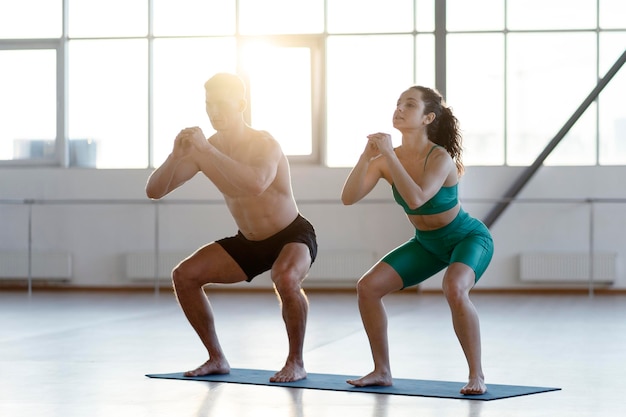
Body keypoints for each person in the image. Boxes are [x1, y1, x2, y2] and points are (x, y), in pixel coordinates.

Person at [145, 72, 317, 383]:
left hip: (291, 234)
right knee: (184, 276)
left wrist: (207, 152)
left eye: (222, 104)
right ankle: (216, 358)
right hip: (249, 242)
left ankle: (296, 361)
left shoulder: (264, 143)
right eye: (209, 105)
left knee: (286, 277)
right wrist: (176, 155)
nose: (214, 112)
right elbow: (154, 191)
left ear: (241, 104)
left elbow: (255, 184)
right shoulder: (203, 149)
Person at [340, 85, 493, 395]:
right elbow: (348, 197)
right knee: (367, 288)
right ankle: (381, 371)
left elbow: (418, 199)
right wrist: (365, 157)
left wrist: (386, 156)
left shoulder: (440, 158)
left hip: (467, 238)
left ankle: (477, 375)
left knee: (454, 287)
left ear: (428, 118)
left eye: (409, 105)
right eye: (398, 104)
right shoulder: (387, 159)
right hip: (426, 243)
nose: (399, 109)